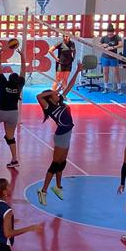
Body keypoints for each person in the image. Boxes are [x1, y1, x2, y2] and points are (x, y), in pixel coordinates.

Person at [35, 63, 84, 205]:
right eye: (55, 95)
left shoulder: (60, 101)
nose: (58, 95)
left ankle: (58, 186)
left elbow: (70, 85)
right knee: (55, 164)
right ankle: (43, 191)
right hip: (61, 136)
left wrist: (77, 71)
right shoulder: (49, 107)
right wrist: (53, 91)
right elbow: (39, 96)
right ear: (50, 98)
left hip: (67, 134)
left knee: (62, 162)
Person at [99, 24, 123, 94]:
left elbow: (121, 45)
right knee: (105, 72)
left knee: (116, 73)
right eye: (109, 34)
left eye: (111, 34)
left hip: (113, 57)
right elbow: (99, 44)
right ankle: (106, 88)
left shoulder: (117, 37)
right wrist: (103, 45)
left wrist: (113, 47)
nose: (110, 36)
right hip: (105, 57)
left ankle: (119, 88)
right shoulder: (104, 38)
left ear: (113, 32)